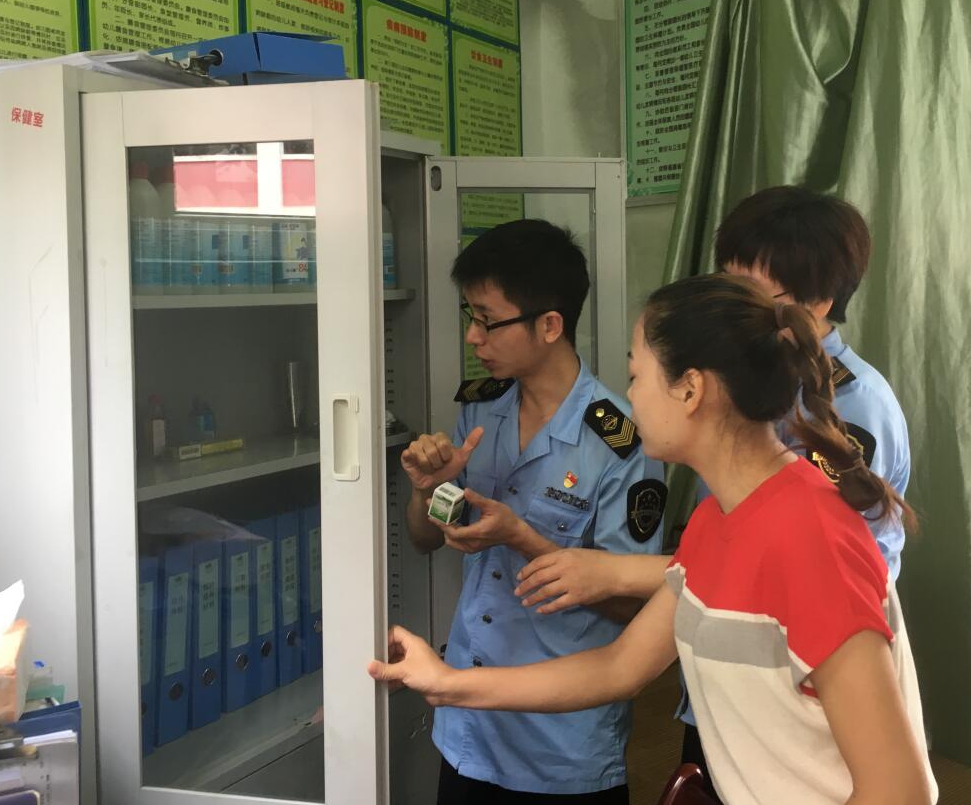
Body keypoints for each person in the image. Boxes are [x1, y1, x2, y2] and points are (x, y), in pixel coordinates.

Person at [373, 274, 936, 805]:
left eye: (636, 375)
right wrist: (447, 683)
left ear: (690, 389)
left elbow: (899, 790)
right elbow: (619, 667)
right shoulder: (720, 519)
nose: (629, 396)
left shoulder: (810, 540)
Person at [512, 187, 912, 790]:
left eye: (754, 293)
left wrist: (616, 573)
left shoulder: (850, 410)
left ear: (820, 299)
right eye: (726, 283)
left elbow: (795, 571)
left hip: (797, 707)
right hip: (726, 679)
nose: (730, 307)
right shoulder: (736, 382)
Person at [399, 218, 667, 803]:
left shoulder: (622, 442)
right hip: (468, 725)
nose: (473, 337)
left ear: (550, 325)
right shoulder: (480, 410)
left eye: (487, 320)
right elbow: (424, 539)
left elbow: (634, 607)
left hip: (559, 745)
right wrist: (426, 491)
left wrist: (522, 536)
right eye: (470, 316)